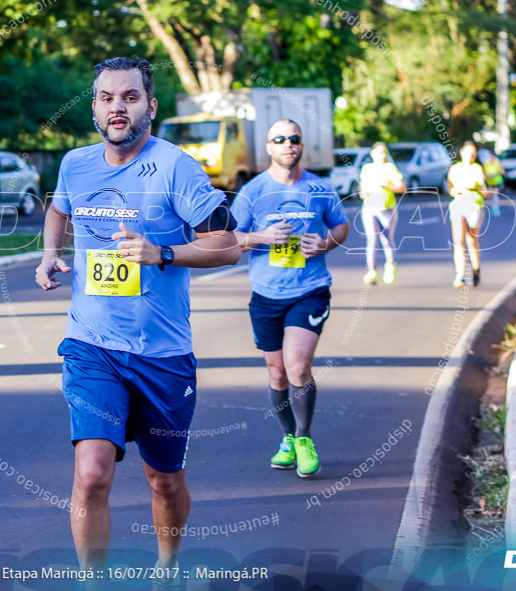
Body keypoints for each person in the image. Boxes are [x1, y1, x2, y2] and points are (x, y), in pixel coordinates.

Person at [35, 57, 241, 576]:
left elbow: (227, 245)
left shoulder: (177, 167)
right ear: (95, 108)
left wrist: (162, 253)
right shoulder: (75, 165)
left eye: (128, 97)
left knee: (164, 481)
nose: (116, 108)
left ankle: (168, 568)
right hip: (92, 346)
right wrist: (48, 253)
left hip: (163, 354)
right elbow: (59, 208)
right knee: (91, 474)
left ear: (149, 106)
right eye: (106, 98)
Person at [230, 119, 350, 478]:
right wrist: (261, 237)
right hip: (266, 295)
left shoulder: (320, 188)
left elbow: (341, 225)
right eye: (279, 139)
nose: (287, 144)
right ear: (268, 147)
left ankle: (303, 438)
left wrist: (326, 243)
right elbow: (230, 238)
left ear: (301, 146)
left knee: (298, 365)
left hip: (309, 291)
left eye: (294, 139)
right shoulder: (253, 192)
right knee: (277, 372)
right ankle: (286, 437)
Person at [357, 142, 406, 285]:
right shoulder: (367, 168)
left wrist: (387, 186)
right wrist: (363, 193)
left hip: (386, 208)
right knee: (371, 239)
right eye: (379, 153)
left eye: (384, 153)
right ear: (372, 154)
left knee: (386, 239)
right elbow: (362, 185)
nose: (382, 156)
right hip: (369, 207)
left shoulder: (390, 168)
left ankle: (390, 264)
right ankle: (371, 271)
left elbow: (402, 187)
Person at [447, 141, 489, 289]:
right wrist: (456, 190)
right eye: (468, 152)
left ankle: (476, 269)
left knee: (471, 240)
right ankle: (460, 275)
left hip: (474, 206)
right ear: (462, 152)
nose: (470, 156)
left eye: (473, 154)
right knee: (458, 241)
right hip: (458, 205)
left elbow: (485, 191)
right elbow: (450, 187)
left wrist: (472, 188)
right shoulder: (455, 169)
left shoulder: (477, 169)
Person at [478, 147, 504, 218]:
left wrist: (496, 173)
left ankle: (495, 209)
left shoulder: (497, 162)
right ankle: (494, 208)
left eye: (493, 155)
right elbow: (483, 173)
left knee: (495, 195)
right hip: (489, 182)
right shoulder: (486, 163)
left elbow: (502, 171)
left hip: (497, 181)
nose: (492, 157)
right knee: (492, 195)